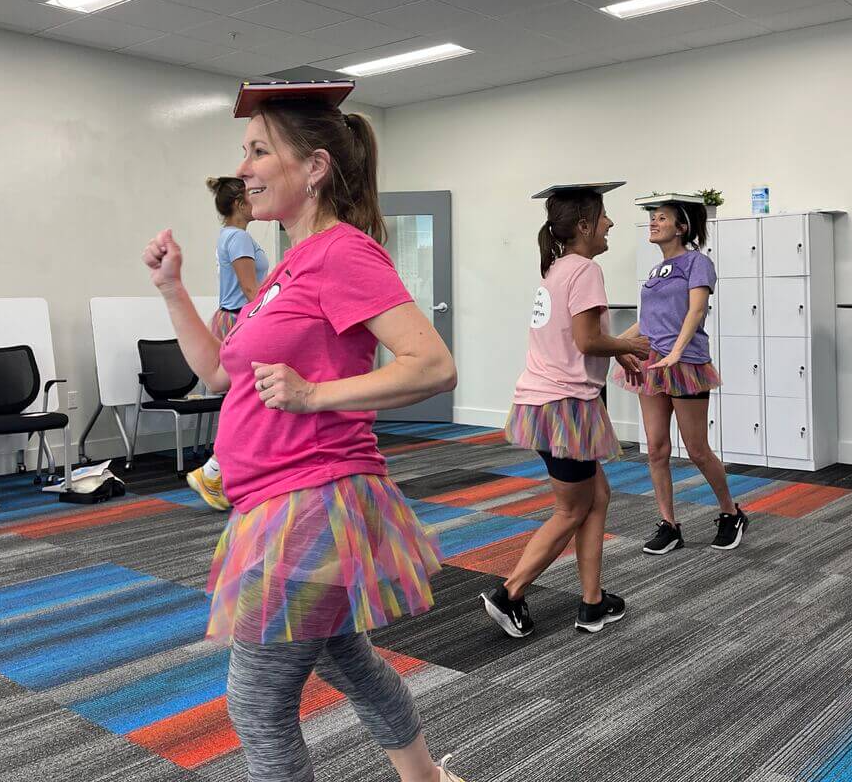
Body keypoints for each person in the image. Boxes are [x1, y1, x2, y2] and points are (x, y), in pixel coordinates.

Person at [142, 81, 469, 782]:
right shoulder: (283, 270)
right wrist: (173, 289)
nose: (245, 169)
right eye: (245, 153)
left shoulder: (344, 253)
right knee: (346, 657)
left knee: (257, 702)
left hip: (310, 500)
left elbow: (432, 364)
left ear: (314, 167)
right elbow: (220, 375)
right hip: (275, 501)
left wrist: (316, 393)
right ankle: (428, 779)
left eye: (260, 151)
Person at [481, 182, 649, 639]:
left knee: (597, 498)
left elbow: (574, 339)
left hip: (544, 403)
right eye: (604, 217)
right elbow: (586, 340)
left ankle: (593, 603)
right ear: (583, 226)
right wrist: (627, 344)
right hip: (565, 406)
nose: (610, 223)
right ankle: (509, 593)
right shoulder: (586, 270)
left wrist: (618, 353)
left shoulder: (557, 269)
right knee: (570, 509)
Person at [618, 196, 748, 554]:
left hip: (685, 363)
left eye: (662, 218)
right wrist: (613, 345)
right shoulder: (655, 272)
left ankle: (730, 512)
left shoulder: (697, 262)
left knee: (696, 449)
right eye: (653, 218)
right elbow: (646, 322)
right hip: (652, 364)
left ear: (682, 227)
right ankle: (669, 525)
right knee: (656, 449)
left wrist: (676, 351)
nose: (654, 222)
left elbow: (697, 310)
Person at [186, 175, 269, 511]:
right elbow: (251, 290)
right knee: (249, 400)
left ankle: (221, 472)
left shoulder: (234, 236)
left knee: (248, 399)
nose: (258, 201)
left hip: (236, 317)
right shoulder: (237, 239)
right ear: (239, 204)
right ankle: (215, 471)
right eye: (252, 196)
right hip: (240, 319)